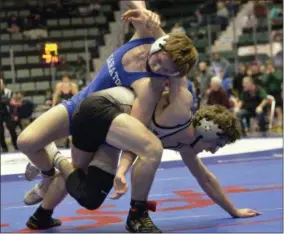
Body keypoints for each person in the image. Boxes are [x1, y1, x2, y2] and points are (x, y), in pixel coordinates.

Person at [19, 1, 198, 230]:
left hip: (104, 124)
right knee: (26, 142)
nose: (157, 68)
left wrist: (122, 170)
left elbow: (135, 130)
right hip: (78, 104)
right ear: (159, 47)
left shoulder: (150, 88)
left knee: (79, 178)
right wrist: (143, 10)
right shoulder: (145, 35)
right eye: (159, 61)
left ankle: (43, 211)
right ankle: (46, 178)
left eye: (166, 71)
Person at [24, 77, 260, 232]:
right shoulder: (179, 113)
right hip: (103, 108)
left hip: (112, 131)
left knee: (90, 196)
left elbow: (205, 179)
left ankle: (43, 208)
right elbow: (178, 73)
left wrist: (234, 211)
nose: (213, 150)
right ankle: (137, 214)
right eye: (217, 143)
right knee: (152, 147)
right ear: (209, 129)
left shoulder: (185, 145)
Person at [0, 78, 18, 152]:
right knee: (0, 132)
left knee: (12, 129)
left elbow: (11, 102)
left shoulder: (8, 91)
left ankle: (16, 146)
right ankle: (4, 148)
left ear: (3, 84)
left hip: (7, 113)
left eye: (1, 84)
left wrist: (14, 114)